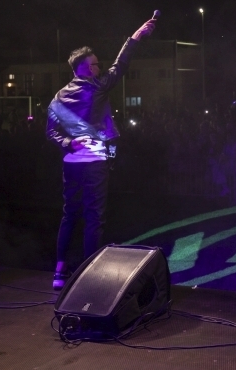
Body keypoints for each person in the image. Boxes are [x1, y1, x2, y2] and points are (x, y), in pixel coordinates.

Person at [45, 16, 156, 290]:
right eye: (95, 64)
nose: (99, 67)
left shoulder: (58, 96)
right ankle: (87, 274)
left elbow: (50, 131)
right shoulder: (96, 86)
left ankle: (59, 272)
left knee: (70, 214)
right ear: (85, 68)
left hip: (71, 163)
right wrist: (137, 36)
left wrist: (68, 143)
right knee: (94, 217)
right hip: (94, 160)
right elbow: (121, 65)